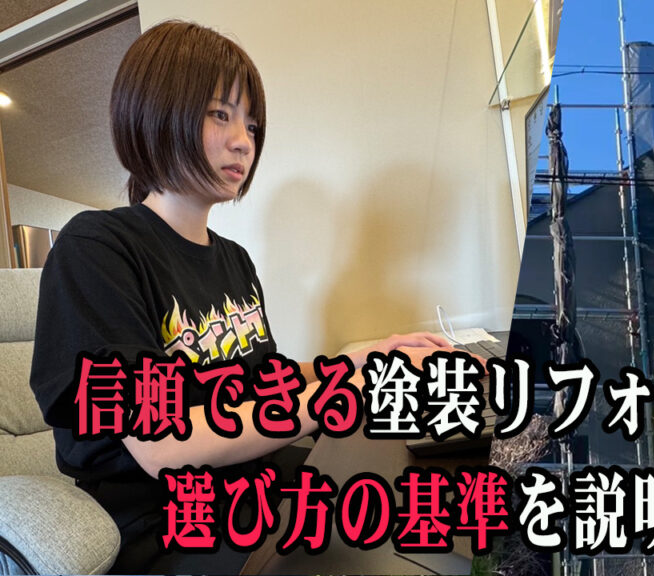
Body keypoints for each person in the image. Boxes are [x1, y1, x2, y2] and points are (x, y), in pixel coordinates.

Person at [29, 20, 455, 574]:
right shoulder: (97, 249)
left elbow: (260, 383)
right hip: (172, 529)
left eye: (251, 125)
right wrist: (346, 393)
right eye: (219, 114)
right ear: (156, 113)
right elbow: (164, 448)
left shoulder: (233, 259)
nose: (243, 141)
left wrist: (360, 358)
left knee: (424, 508)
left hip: (258, 489)